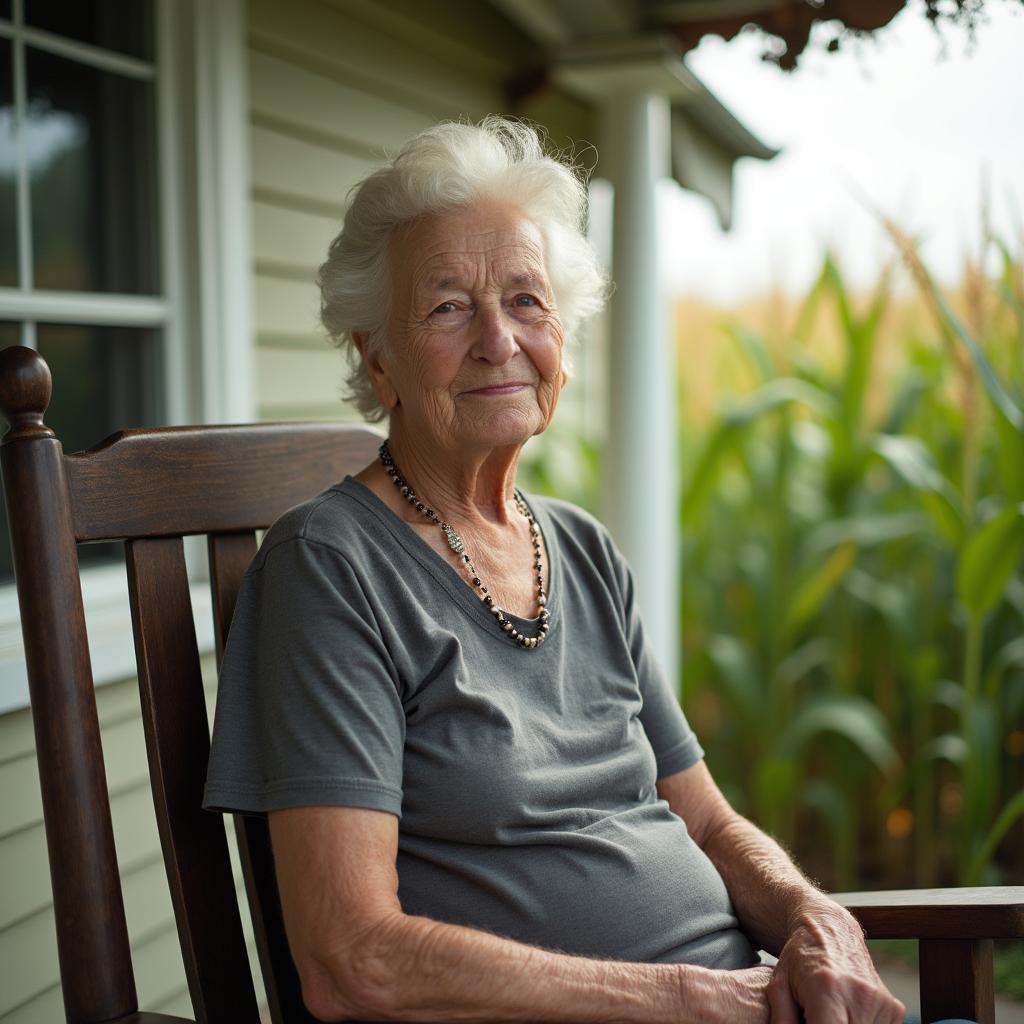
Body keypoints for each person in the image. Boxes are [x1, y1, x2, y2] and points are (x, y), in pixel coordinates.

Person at [203, 116, 910, 1024]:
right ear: (376, 358)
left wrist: (817, 919)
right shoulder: (329, 569)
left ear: (562, 343)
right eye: (448, 306)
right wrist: (701, 999)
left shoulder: (579, 548)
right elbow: (354, 959)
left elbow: (704, 822)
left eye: (527, 301)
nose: (499, 340)